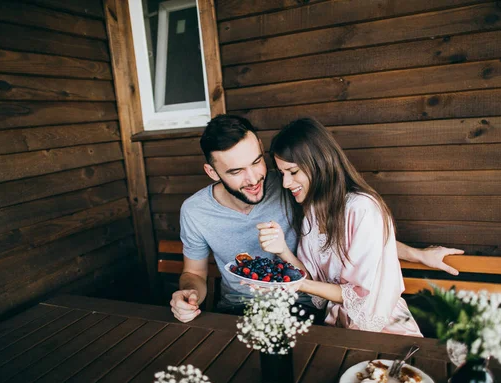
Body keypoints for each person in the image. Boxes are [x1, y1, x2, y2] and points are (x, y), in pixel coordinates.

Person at [170, 115, 463, 323]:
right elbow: (194, 273)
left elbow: (349, 231)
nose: (254, 179)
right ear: (212, 172)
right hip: (238, 310)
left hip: (305, 309)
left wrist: (416, 254)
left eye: (257, 162)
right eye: (236, 172)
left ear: (261, 148)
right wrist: (190, 294)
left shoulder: (292, 185)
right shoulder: (195, 211)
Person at [257, 117, 421, 336]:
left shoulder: (362, 208)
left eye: (293, 172)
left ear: (319, 163)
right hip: (338, 326)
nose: (286, 183)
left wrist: (296, 285)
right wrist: (282, 249)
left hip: (383, 328)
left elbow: (358, 293)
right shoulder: (313, 213)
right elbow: (312, 278)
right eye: (282, 174)